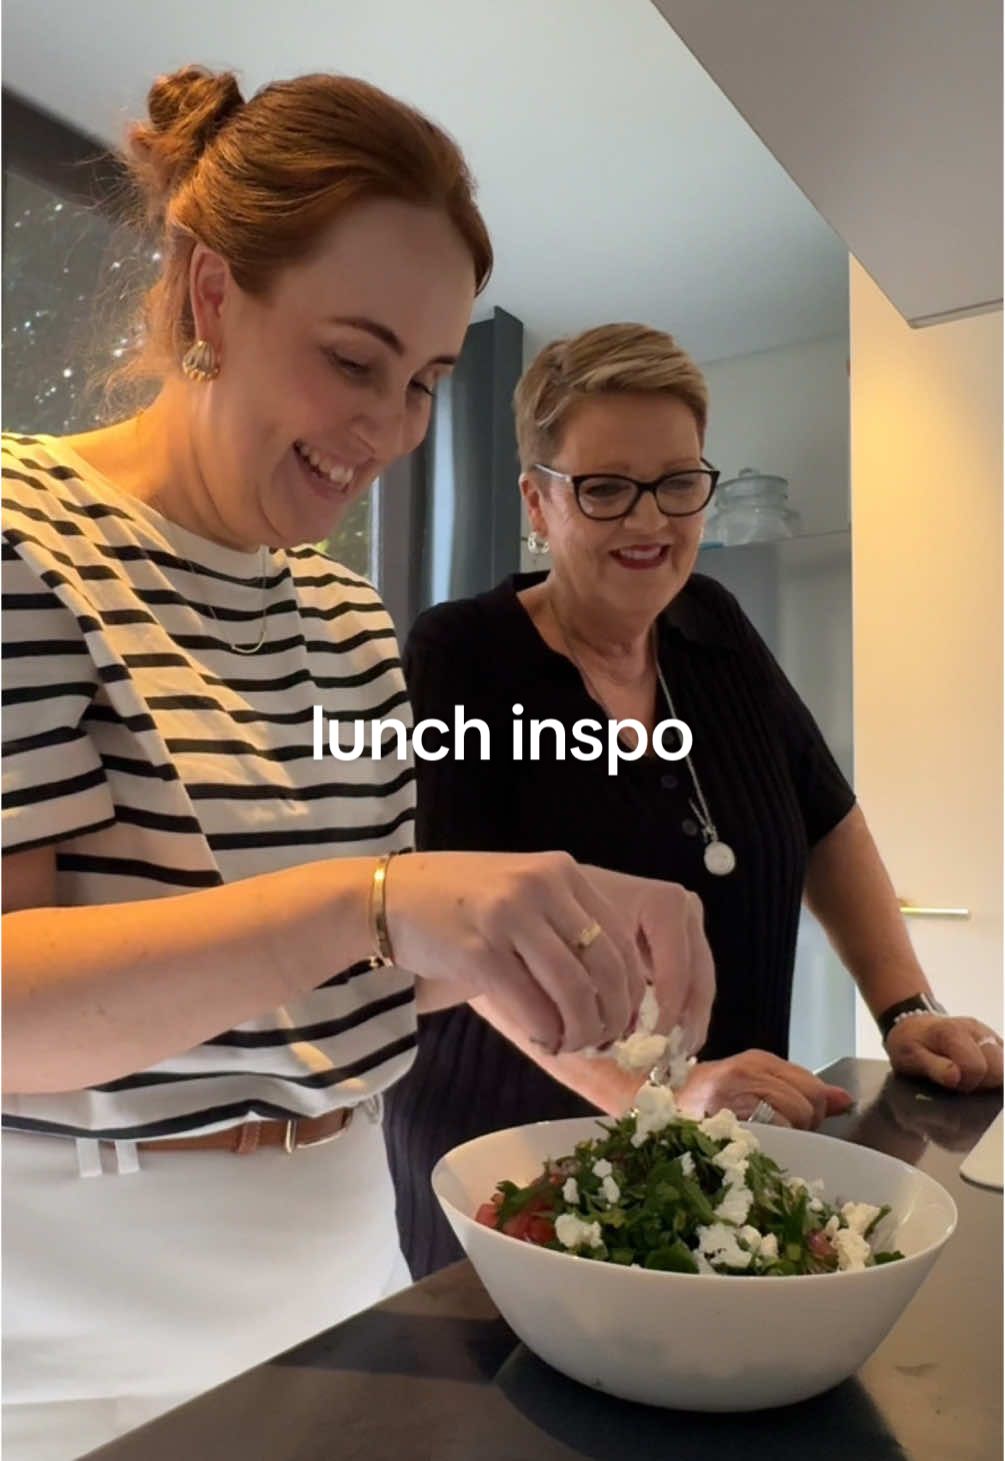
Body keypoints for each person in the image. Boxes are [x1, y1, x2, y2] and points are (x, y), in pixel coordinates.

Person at [1, 79, 715, 1461]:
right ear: (213, 297)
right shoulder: (24, 535)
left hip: (342, 1252)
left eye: (429, 384)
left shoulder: (338, 617)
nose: (389, 430)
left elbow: (367, 962)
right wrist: (377, 896)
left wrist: (576, 965)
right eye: (355, 358)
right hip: (69, 1316)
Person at [383, 321, 1003, 1279]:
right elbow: (463, 941)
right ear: (537, 504)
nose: (648, 522)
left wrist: (903, 1008)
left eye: (677, 482)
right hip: (519, 1157)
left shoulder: (713, 625)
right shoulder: (461, 654)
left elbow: (825, 816)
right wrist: (655, 1094)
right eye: (603, 488)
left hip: (729, 1133)